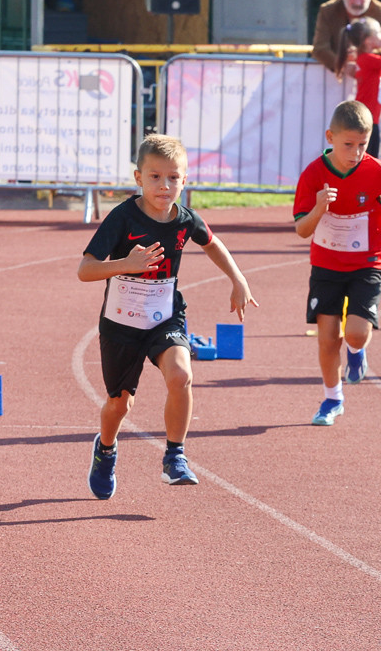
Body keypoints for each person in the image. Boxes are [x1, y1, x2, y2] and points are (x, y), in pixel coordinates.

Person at [79, 134, 257, 500]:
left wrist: (237, 278)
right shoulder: (122, 217)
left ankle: (175, 456)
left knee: (181, 375)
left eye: (173, 178)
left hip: (164, 315)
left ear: (185, 181)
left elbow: (211, 242)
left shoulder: (183, 219)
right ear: (138, 178)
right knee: (120, 403)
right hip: (121, 322)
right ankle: (106, 449)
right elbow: (85, 269)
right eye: (156, 177)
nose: (165, 186)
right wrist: (125, 265)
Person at [292, 100, 381, 426]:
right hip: (327, 264)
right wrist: (319, 209)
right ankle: (332, 399)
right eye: (348, 144)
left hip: (368, 260)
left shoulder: (374, 170)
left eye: (362, 144)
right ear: (330, 137)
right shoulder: (313, 174)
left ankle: (357, 351)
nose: (356, 152)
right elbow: (302, 229)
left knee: (357, 333)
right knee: (327, 336)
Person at [335, 18, 381, 157]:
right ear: (368, 40)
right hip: (366, 120)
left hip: (370, 120)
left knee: (368, 162)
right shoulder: (367, 59)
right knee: (365, 163)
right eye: (379, 32)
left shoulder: (367, 59)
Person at [311, 0, 381, 73]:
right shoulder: (327, 10)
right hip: (334, 76)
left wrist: (363, 58)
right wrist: (342, 66)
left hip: (371, 73)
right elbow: (320, 48)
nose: (357, 2)